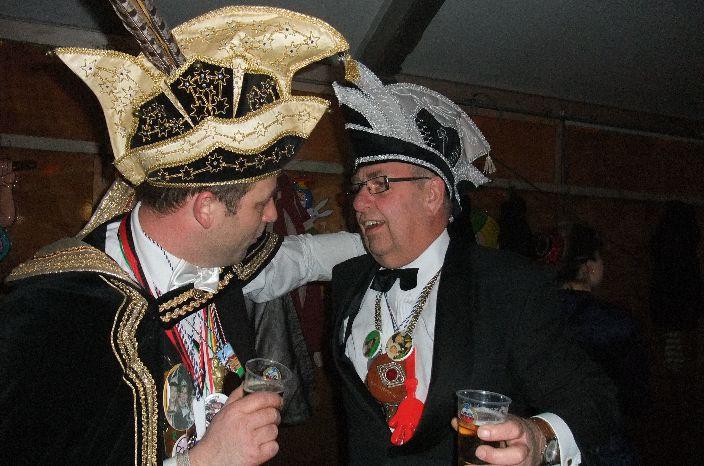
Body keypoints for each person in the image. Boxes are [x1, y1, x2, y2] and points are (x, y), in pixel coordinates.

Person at [0, 5, 364, 465]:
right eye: (262, 203)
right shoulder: (54, 316)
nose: (274, 215)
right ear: (205, 208)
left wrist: (396, 246)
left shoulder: (219, 258)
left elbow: (300, 259)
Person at [329, 61, 620, 465]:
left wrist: (539, 439)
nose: (359, 202)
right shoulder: (346, 281)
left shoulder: (508, 285)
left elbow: (595, 399)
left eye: (379, 183)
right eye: (357, 187)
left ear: (432, 194)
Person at [554, 223, 649, 464]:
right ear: (589, 267)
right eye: (600, 258)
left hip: (551, 439)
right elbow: (636, 397)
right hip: (604, 445)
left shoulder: (537, 313)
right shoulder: (616, 322)